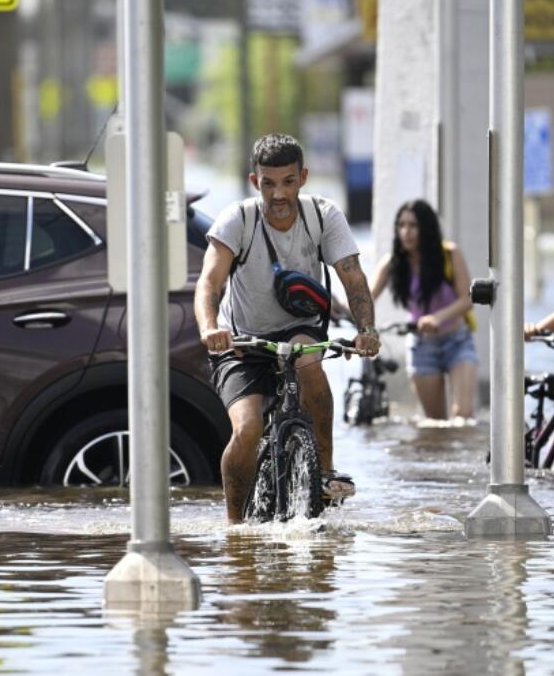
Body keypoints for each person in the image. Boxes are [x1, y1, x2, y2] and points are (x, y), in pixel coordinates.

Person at [195, 134, 380, 523]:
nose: (279, 193)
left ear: (304, 178)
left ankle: (325, 471)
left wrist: (367, 329)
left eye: (288, 182)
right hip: (242, 340)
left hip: (299, 327)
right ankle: (235, 528)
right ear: (254, 181)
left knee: (310, 363)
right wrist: (211, 328)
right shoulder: (239, 219)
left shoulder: (323, 216)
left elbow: (353, 277)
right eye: (268, 183)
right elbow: (209, 282)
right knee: (247, 429)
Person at [368, 199, 479, 421]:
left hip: (457, 341)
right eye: (401, 225)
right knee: (435, 425)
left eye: (413, 225)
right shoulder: (393, 263)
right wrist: (336, 308)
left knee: (463, 415)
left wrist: (437, 317)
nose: (406, 232)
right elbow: (365, 298)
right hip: (421, 347)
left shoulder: (449, 254)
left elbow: (468, 299)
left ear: (426, 228)